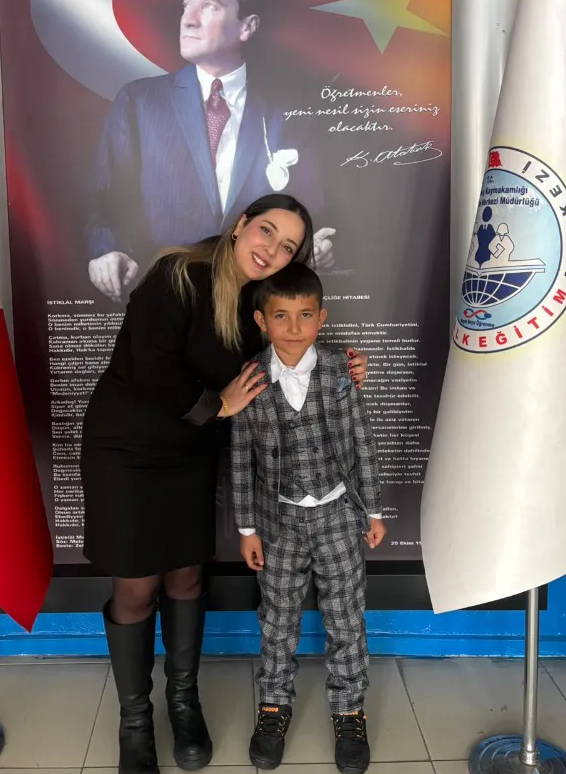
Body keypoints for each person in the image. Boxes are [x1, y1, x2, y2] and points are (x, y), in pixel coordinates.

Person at [80, 195, 368, 774]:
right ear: (240, 226)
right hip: (128, 449)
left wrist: (339, 363)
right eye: (266, 231)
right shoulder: (178, 274)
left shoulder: (256, 300)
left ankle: (183, 704)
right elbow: (150, 365)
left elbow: (287, 340)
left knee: (186, 575)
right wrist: (217, 405)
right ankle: (135, 722)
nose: (271, 249)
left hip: (190, 452)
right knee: (136, 586)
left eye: (287, 247)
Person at [86, 0, 337, 302]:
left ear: (247, 27)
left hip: (260, 302)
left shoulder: (290, 107)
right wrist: (107, 250)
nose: (188, 20)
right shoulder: (139, 101)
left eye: (210, 6)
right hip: (167, 297)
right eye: (186, 5)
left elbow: (315, 206)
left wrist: (317, 246)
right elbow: (104, 199)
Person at [231, 263, 385, 774]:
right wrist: (247, 528)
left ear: (322, 318)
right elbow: (241, 459)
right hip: (278, 522)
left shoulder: (343, 369)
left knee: (345, 616)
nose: (293, 327)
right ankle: (274, 706)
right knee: (278, 620)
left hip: (338, 513)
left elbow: (362, 441)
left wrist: (373, 508)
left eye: (304, 315)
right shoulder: (250, 378)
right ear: (261, 321)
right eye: (281, 316)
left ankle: (349, 710)